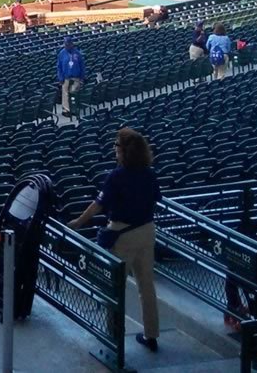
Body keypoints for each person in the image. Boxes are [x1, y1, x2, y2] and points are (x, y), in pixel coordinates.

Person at [70, 128, 161, 351]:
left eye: (117, 146)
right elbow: (156, 199)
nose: (114, 149)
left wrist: (78, 222)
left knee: (114, 288)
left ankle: (114, 338)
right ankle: (152, 335)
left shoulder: (117, 176)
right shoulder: (149, 173)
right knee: (146, 286)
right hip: (147, 231)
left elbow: (99, 204)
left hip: (123, 235)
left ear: (125, 151)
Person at [57, 36, 85, 117]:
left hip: (76, 77)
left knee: (73, 92)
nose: (67, 46)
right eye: (66, 44)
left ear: (72, 44)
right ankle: (66, 110)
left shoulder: (77, 53)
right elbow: (59, 67)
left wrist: (82, 78)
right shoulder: (61, 54)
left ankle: (74, 108)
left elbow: (82, 66)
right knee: (65, 93)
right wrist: (60, 78)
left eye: (69, 44)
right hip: (65, 77)